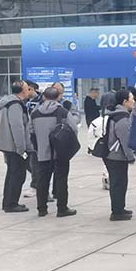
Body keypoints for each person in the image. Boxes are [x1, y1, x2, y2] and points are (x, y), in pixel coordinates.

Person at [29, 87, 78, 217]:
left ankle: (41, 209)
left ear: (44, 97)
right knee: (61, 180)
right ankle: (62, 209)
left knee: (42, 181)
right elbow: (74, 128)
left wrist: (38, 146)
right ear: (58, 97)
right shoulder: (63, 112)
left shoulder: (35, 113)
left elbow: (30, 131)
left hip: (42, 153)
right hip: (60, 152)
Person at [0, 80, 32, 213]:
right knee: (17, 175)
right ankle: (11, 204)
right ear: (23, 91)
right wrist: (21, 148)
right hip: (14, 146)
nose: (29, 91)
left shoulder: (10, 102)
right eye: (28, 89)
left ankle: (8, 202)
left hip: (9, 145)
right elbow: (17, 127)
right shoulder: (16, 104)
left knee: (12, 174)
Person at [104, 89, 136, 221]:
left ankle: (119, 208)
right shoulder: (122, 117)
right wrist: (130, 156)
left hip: (111, 154)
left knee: (119, 182)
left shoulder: (114, 114)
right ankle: (117, 212)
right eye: (131, 98)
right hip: (116, 155)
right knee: (119, 183)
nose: (134, 101)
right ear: (124, 101)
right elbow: (125, 139)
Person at [23, 80, 41, 199]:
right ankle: (38, 182)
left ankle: (35, 186)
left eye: (26, 89)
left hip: (35, 136)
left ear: (31, 89)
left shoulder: (41, 100)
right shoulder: (24, 101)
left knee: (34, 162)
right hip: (25, 135)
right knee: (27, 163)